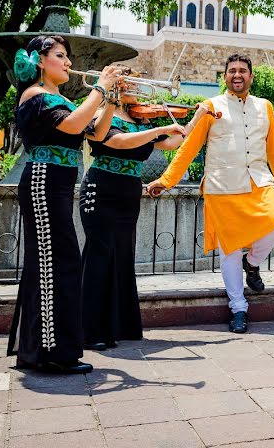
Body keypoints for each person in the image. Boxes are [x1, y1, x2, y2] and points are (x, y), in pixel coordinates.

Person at [146, 54, 274, 333]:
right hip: (222, 186)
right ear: (225, 77)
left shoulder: (264, 107)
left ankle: (252, 262)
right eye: (232, 71)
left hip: (259, 182)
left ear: (251, 76)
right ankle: (238, 308)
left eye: (243, 70)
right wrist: (166, 180)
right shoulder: (210, 107)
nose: (237, 75)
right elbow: (189, 147)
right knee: (228, 251)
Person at [7, 35, 124, 374]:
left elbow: (97, 134)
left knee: (63, 261)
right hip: (43, 181)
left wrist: (112, 100)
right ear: (41, 61)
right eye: (61, 56)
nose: (69, 63)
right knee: (52, 264)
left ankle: (51, 349)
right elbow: (72, 124)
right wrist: (100, 88)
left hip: (57, 185)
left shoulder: (58, 98)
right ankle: (47, 352)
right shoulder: (35, 95)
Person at [80, 79, 200, 350]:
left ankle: (120, 326)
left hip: (128, 192)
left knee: (122, 256)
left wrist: (198, 117)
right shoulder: (102, 113)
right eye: (129, 84)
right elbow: (118, 141)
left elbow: (172, 142)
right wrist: (157, 129)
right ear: (117, 87)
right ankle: (90, 331)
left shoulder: (142, 120)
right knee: (99, 255)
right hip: (102, 188)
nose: (135, 89)